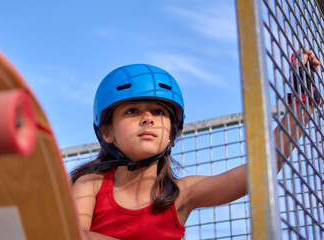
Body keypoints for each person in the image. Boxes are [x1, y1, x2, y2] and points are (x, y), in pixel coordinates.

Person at [71, 50, 320, 240]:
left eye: (158, 111)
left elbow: (258, 171)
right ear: (107, 132)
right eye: (133, 110)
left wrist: (301, 105)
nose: (148, 118)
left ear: (172, 133)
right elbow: (68, 234)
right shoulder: (90, 184)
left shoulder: (181, 194)